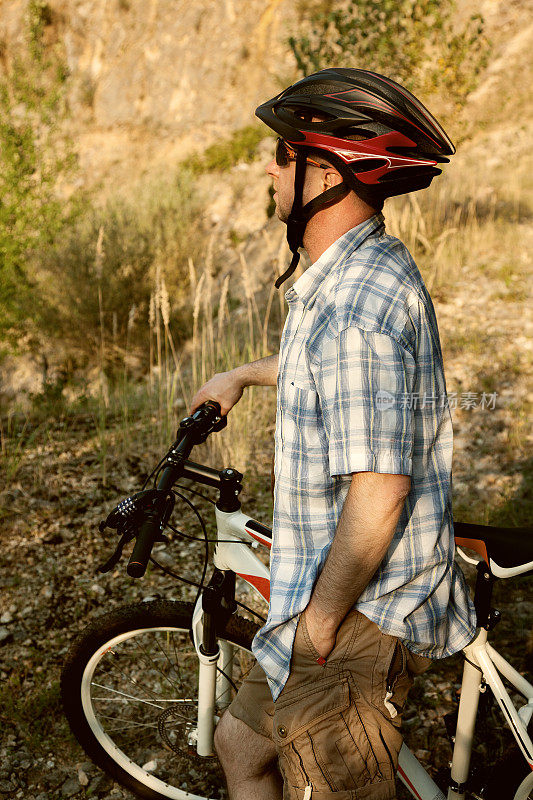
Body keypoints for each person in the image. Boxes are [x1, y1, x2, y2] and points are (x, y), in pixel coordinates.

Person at [190, 68, 477, 800]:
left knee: (321, 782)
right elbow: (329, 376)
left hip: (358, 614)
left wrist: (317, 627)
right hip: (326, 599)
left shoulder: (354, 308)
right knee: (239, 746)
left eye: (282, 154)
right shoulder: (360, 270)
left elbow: (379, 495)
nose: (268, 166)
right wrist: (242, 377)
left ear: (325, 170)